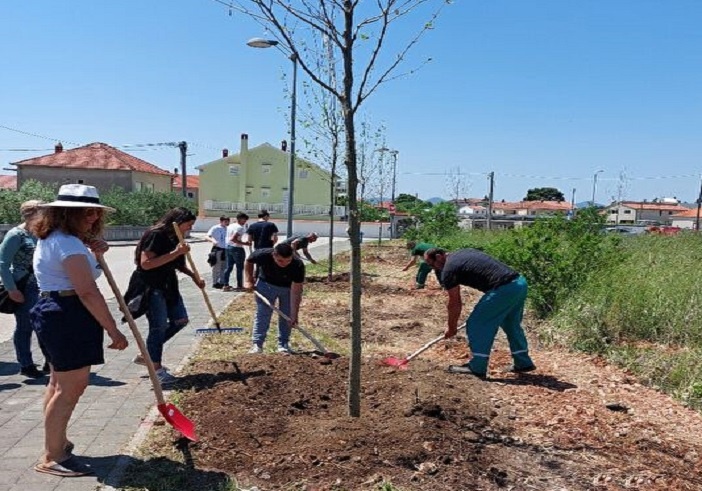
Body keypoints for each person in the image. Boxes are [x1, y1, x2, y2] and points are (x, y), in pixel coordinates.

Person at [29, 184, 129, 477]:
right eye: (86, 213)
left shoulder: (60, 239)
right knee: (71, 387)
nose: (93, 218)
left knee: (59, 385)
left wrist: (96, 253)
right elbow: (87, 291)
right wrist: (113, 330)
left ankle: (56, 443)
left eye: (96, 213)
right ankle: (53, 456)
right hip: (68, 314)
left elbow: (83, 278)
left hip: (56, 311)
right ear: (66, 213)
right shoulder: (68, 244)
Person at [423, 247, 536, 379]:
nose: (433, 268)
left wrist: (452, 327)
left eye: (432, 264)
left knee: (477, 324)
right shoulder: (461, 253)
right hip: (519, 283)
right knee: (510, 323)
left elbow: (455, 303)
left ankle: (477, 367)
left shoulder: (449, 268)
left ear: (438, 256)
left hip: (503, 288)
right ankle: (523, 362)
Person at [127, 207, 205, 386]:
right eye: (189, 225)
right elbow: (146, 264)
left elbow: (178, 263)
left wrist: (194, 277)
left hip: (169, 285)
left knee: (181, 320)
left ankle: (147, 354)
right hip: (152, 286)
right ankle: (156, 370)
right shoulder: (156, 235)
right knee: (159, 326)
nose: (189, 229)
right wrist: (176, 252)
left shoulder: (175, 236)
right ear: (177, 221)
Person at [0, 200, 48, 378]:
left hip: (41, 284)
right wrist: (11, 289)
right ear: (32, 214)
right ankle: (26, 364)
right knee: (25, 326)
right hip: (23, 285)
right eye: (43, 212)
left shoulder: (41, 232)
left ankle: (48, 361)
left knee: (45, 324)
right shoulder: (16, 235)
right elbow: (3, 264)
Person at [244, 242, 305, 354]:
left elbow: (296, 291)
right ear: (274, 255)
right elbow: (249, 261)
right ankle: (257, 345)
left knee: (287, 316)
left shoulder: (298, 265)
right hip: (265, 285)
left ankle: (283, 344)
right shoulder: (263, 254)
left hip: (287, 289)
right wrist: (248, 280)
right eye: (280, 260)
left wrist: (294, 314)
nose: (284, 264)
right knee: (263, 314)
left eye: (288, 261)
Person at [222, 212, 251, 292]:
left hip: (228, 247)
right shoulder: (240, 228)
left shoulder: (230, 225)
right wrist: (245, 243)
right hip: (237, 248)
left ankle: (225, 284)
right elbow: (233, 239)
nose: (245, 222)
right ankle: (239, 285)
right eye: (244, 220)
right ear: (240, 219)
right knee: (239, 268)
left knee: (229, 267)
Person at [205, 215, 229, 289]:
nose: (227, 223)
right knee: (216, 267)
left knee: (224, 267)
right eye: (225, 221)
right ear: (221, 221)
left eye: (228, 221)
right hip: (218, 249)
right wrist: (213, 240)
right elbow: (207, 236)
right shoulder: (215, 228)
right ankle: (215, 282)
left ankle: (222, 282)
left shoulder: (228, 229)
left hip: (226, 250)